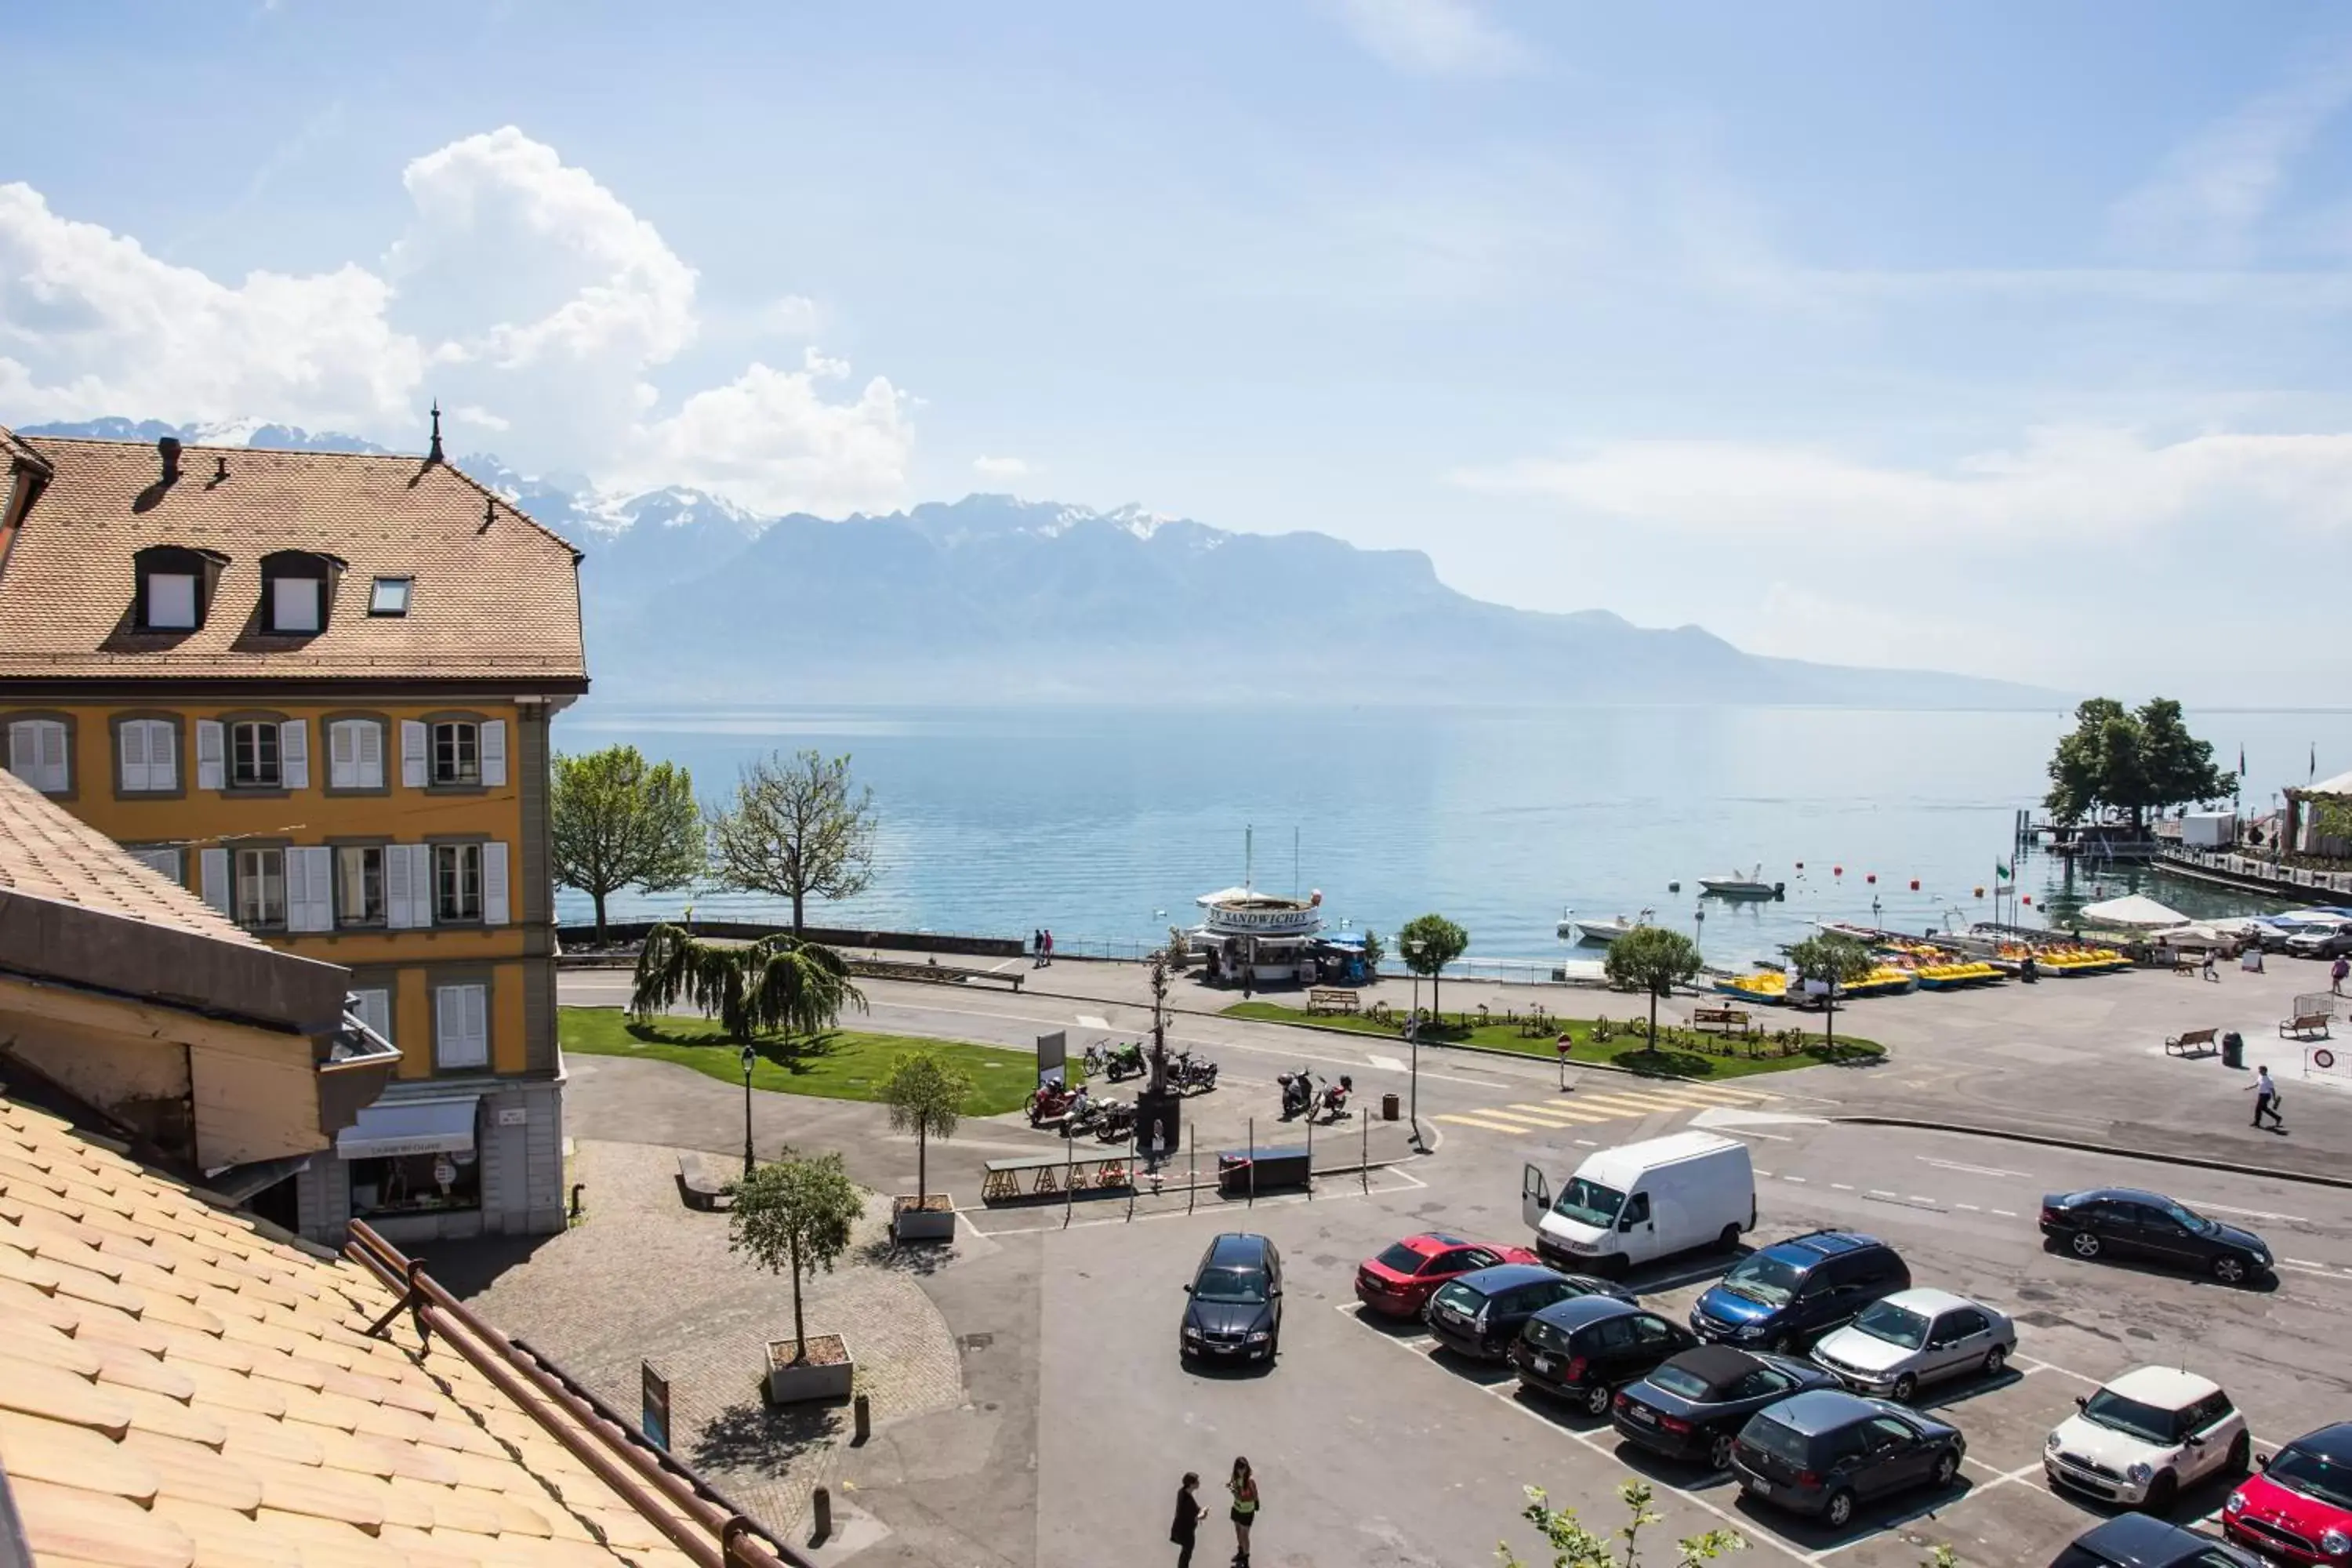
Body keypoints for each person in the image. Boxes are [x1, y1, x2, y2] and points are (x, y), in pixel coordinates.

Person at [1227, 1457, 1258, 1566]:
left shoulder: (1249, 1481)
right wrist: (1232, 1488)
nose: (1242, 1471)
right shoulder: (1234, 1477)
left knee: (1245, 1535)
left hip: (1247, 1511)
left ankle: (1246, 1558)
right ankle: (1241, 1552)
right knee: (1238, 1533)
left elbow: (1250, 1497)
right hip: (1237, 1509)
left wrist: (1237, 1494)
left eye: (1243, 1468)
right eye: (1239, 1469)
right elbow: (1231, 1485)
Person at [1170, 1472, 1200, 1568]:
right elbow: (1195, 1517)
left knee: (1185, 1554)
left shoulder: (1182, 1492)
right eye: (1196, 1482)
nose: (1199, 1483)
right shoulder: (1188, 1501)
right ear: (1191, 1484)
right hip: (1185, 1532)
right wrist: (1202, 1513)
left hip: (1179, 1529)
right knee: (1186, 1555)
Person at [2249, 1063, 2284, 1129]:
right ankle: (2278, 1118)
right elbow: (2257, 1084)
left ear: (2265, 1071)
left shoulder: (2269, 1080)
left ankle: (2257, 1122)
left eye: (2260, 1070)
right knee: (2264, 1109)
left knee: (2258, 1108)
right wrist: (2249, 1088)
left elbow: (2272, 1089)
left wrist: (2274, 1098)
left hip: (2266, 1095)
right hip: (2261, 1094)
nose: (2259, 1071)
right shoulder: (2260, 1076)